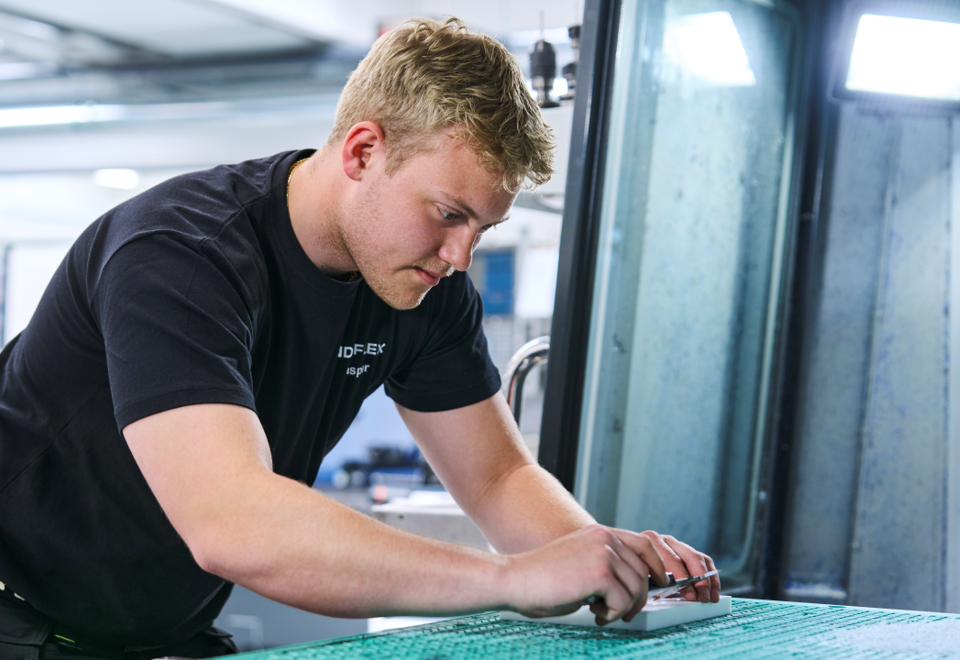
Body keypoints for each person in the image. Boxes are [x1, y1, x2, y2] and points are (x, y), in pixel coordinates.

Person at [0, 16, 720, 660]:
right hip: (18, 615)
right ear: (363, 151)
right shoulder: (180, 254)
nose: (461, 256)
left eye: (485, 229)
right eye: (447, 213)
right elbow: (232, 520)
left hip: (158, 629)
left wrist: (600, 560)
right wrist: (510, 579)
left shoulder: (425, 288)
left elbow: (498, 477)